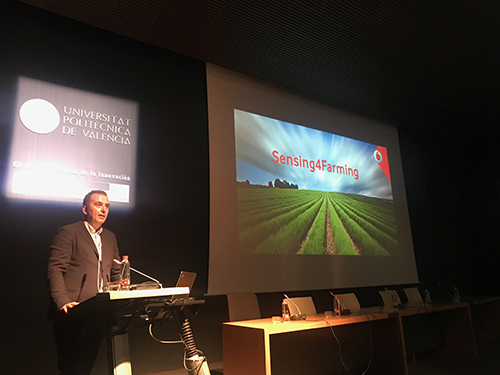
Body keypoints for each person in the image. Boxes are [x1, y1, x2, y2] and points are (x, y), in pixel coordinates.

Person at [47, 190, 121, 375]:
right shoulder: (69, 232)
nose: (103, 209)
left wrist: (120, 294)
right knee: (71, 368)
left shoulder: (110, 237)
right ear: (85, 209)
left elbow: (116, 270)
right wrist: (62, 300)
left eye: (107, 206)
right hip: (73, 312)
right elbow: (55, 268)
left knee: (87, 366)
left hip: (98, 313)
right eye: (98, 204)